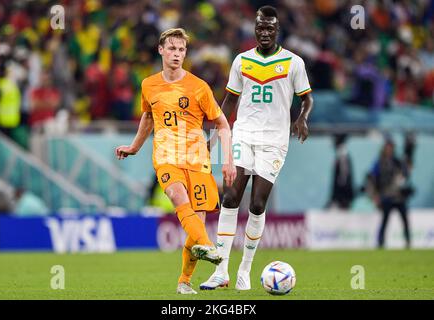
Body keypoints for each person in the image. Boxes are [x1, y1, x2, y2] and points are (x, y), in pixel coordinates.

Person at [115, 28, 236, 294]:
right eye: (172, 48)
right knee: (178, 196)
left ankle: (184, 281)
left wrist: (228, 160)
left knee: (197, 224)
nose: (177, 54)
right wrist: (135, 147)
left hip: (197, 159)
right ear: (161, 50)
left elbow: (222, 124)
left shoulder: (198, 87)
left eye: (181, 50)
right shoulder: (148, 84)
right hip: (166, 156)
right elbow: (148, 117)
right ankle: (212, 251)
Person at [200, 6, 314, 291]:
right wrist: (215, 135)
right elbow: (229, 101)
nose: (264, 33)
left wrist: (302, 118)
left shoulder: (293, 62)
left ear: (277, 30)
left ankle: (245, 270)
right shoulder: (241, 61)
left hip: (275, 140)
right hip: (243, 135)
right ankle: (221, 271)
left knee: (258, 204)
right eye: (260, 28)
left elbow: (307, 99)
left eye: (270, 28)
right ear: (255, 29)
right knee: (229, 196)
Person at [368, 138, 412, 249]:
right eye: (388, 147)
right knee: (385, 220)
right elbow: (372, 179)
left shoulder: (398, 161)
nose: (389, 149)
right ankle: (380, 242)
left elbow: (406, 174)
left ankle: (408, 241)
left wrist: (407, 168)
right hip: (386, 197)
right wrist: (374, 195)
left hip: (398, 197)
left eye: (391, 147)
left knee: (404, 220)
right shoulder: (379, 163)